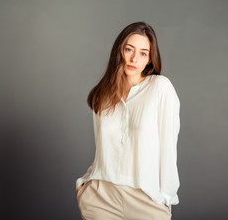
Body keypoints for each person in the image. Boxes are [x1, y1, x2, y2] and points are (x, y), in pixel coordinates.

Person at [75, 21, 181, 220]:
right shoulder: (103, 95)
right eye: (129, 49)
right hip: (101, 198)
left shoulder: (161, 88)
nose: (134, 58)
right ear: (119, 51)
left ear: (150, 59)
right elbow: (102, 149)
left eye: (143, 53)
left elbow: (168, 148)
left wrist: (166, 197)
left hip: (146, 199)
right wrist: (84, 185)